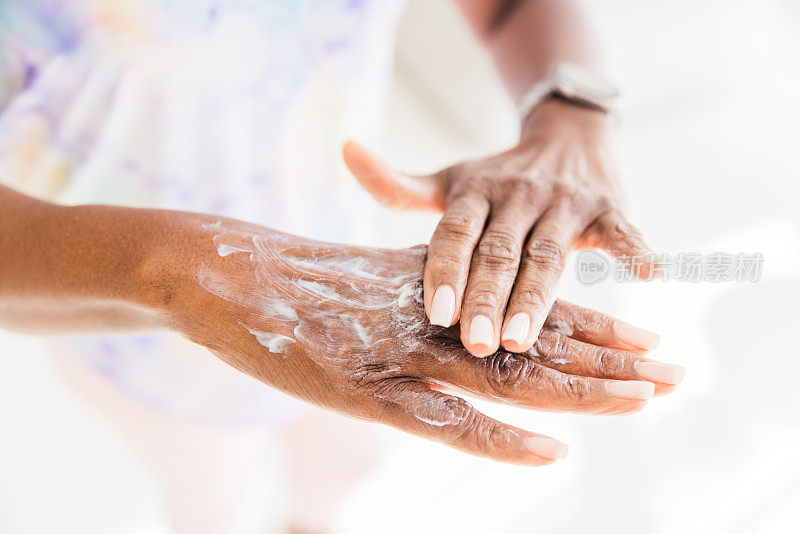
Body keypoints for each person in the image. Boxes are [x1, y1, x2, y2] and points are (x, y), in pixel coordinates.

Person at [0, 1, 683, 532]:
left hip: (355, 273)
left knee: (348, 463)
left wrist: (573, 111)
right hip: (130, 326)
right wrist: (192, 277)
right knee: (209, 499)